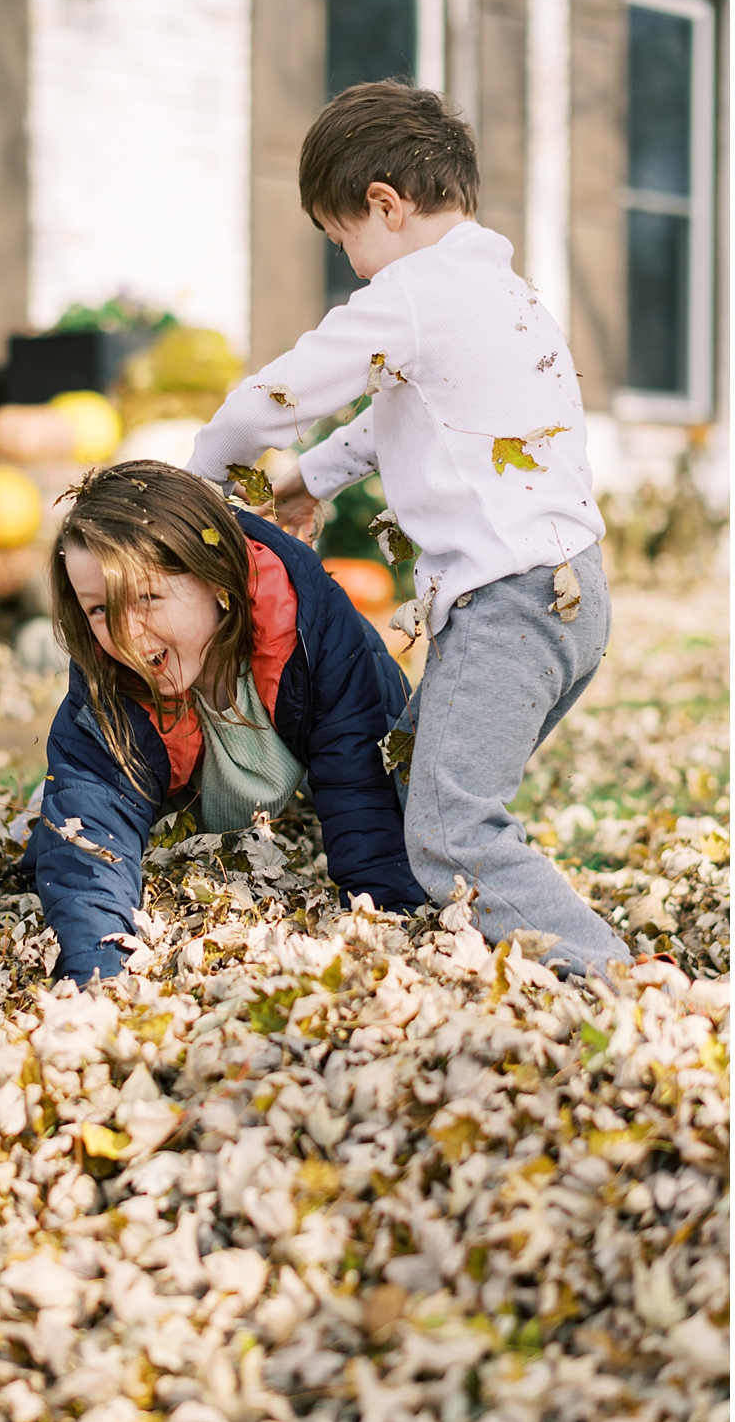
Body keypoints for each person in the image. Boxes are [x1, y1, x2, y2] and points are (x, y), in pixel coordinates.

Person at [187, 80, 631, 980]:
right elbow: (399, 410)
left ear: (385, 204)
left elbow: (282, 391)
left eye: (344, 237)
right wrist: (308, 476)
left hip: (513, 603)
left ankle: (614, 983)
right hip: (566, 595)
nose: (352, 265)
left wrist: (199, 484)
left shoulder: (415, 294)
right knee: (416, 766)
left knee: (453, 828)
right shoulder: (500, 292)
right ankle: (442, 947)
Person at [20, 460, 426, 986]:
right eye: (99, 610)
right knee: (58, 828)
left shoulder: (313, 634)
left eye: (146, 598)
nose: (124, 632)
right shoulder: (109, 682)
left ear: (215, 581)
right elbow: (90, 823)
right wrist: (97, 971)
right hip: (183, 807)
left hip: (288, 779)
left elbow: (362, 783)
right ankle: (35, 817)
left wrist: (389, 922)